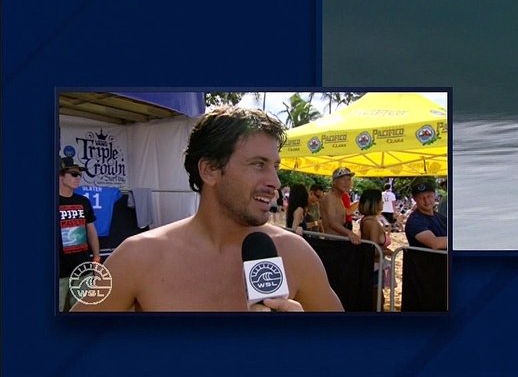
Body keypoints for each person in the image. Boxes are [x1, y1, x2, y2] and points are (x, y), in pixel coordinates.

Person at [72, 106, 342, 312]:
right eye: (258, 164)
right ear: (210, 170)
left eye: (275, 166)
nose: (275, 182)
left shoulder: (296, 254)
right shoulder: (138, 255)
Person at [58, 158, 100, 312]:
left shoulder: (83, 201)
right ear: (60, 176)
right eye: (73, 174)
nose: (78, 178)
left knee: (82, 311)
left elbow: (91, 229)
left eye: (79, 174)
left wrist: (96, 257)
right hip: (58, 270)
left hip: (82, 267)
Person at [358, 189, 392, 300]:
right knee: (376, 298)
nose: (383, 203)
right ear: (375, 203)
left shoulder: (367, 220)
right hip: (374, 266)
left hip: (374, 265)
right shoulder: (371, 223)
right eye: (381, 201)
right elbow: (373, 249)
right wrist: (388, 252)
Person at [320, 167, 361, 245]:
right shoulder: (330, 197)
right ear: (334, 181)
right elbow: (333, 223)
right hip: (332, 243)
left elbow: (342, 215)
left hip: (339, 241)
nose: (346, 183)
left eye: (349, 179)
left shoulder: (338, 198)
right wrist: (350, 233)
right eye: (343, 179)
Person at [404, 179, 447, 251]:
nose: (426, 201)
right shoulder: (415, 221)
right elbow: (435, 243)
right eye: (421, 198)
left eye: (429, 196)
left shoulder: (440, 217)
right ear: (415, 200)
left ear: (434, 196)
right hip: (430, 261)